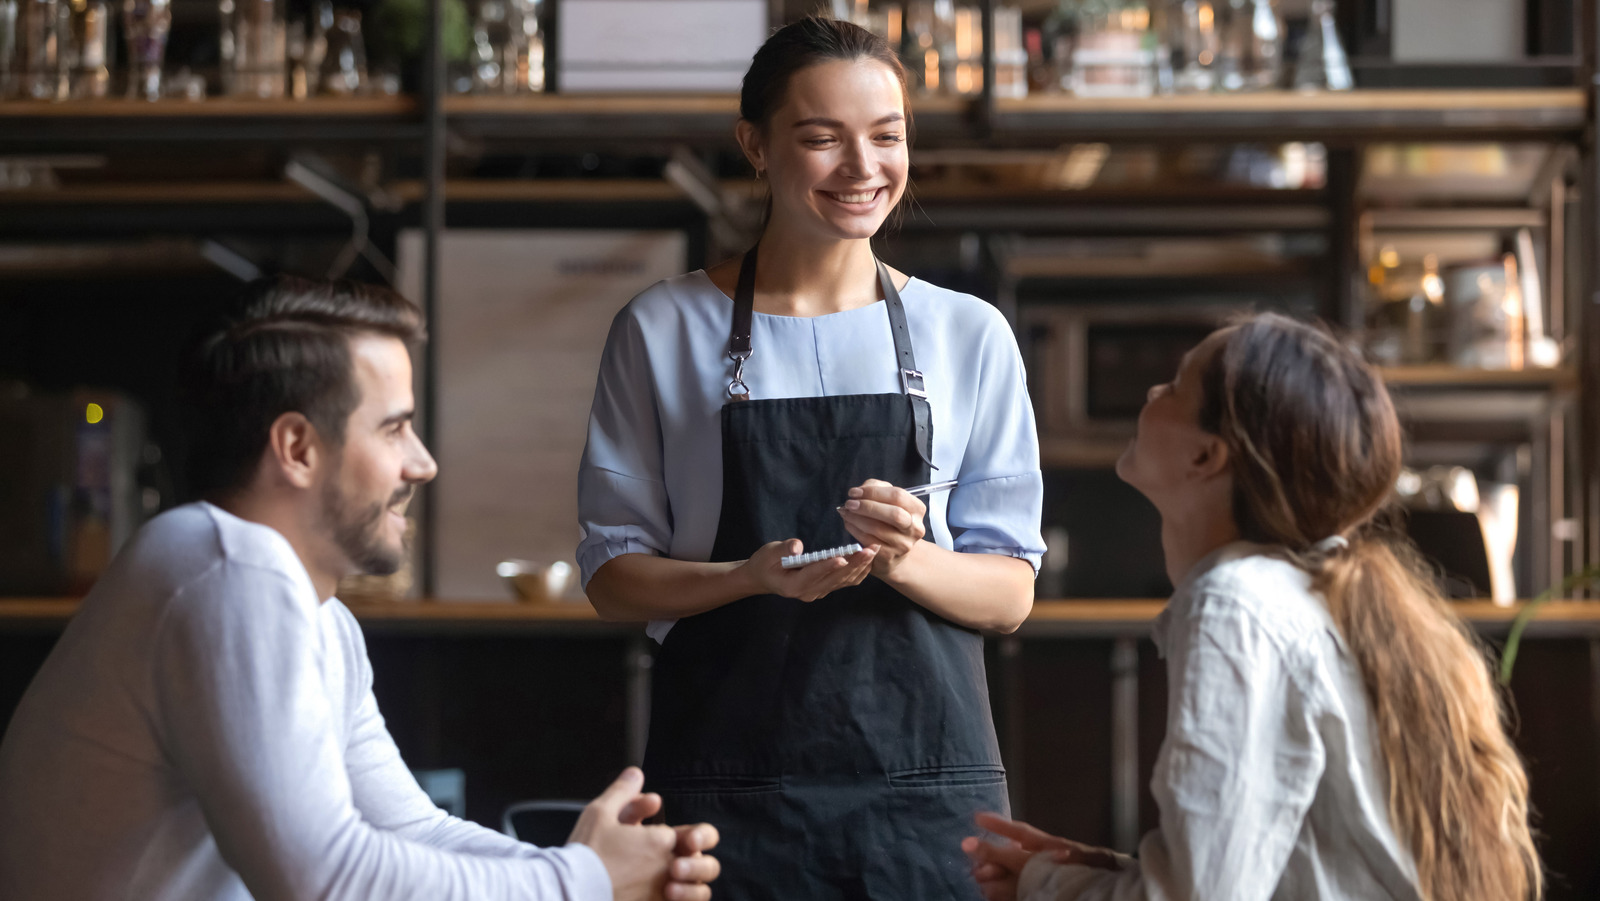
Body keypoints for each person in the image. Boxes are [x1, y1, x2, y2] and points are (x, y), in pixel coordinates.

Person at [0, 278, 721, 901]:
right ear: (297, 448)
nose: (423, 463)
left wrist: (606, 870)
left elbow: (409, 829)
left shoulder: (316, 615)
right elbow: (328, 879)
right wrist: (581, 879)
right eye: (395, 429)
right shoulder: (230, 568)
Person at [577, 15, 1045, 900]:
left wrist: (905, 558)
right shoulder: (662, 327)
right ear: (755, 145)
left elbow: (1011, 590)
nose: (863, 167)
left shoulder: (969, 333)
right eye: (823, 138)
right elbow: (613, 577)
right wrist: (748, 577)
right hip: (725, 789)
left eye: (887, 137)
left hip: (925, 795)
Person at [962, 313, 1542, 901]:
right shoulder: (1292, 593)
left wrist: (1044, 885)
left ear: (1206, 457)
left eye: (1176, 386)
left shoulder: (1233, 607)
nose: (1152, 391)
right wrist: (1105, 871)